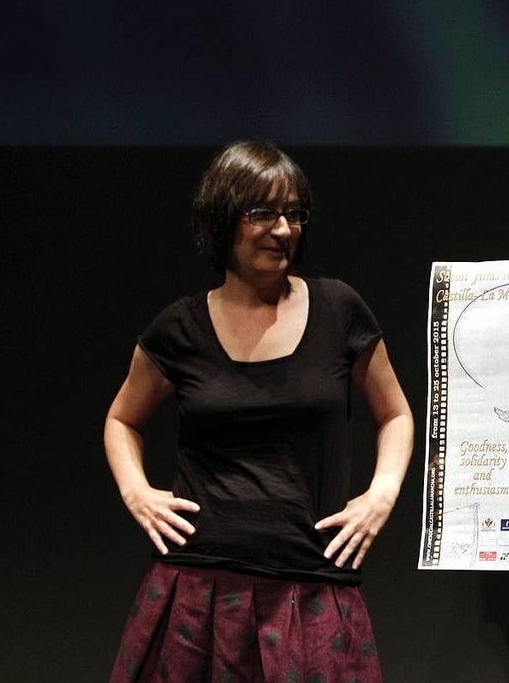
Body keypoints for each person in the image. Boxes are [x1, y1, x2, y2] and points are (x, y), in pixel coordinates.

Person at [103, 141, 413, 683]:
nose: (284, 229)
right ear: (223, 222)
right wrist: (137, 492)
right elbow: (121, 419)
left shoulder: (339, 309)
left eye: (294, 214)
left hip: (309, 585)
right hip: (197, 592)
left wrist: (381, 494)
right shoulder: (180, 328)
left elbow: (396, 415)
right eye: (263, 213)